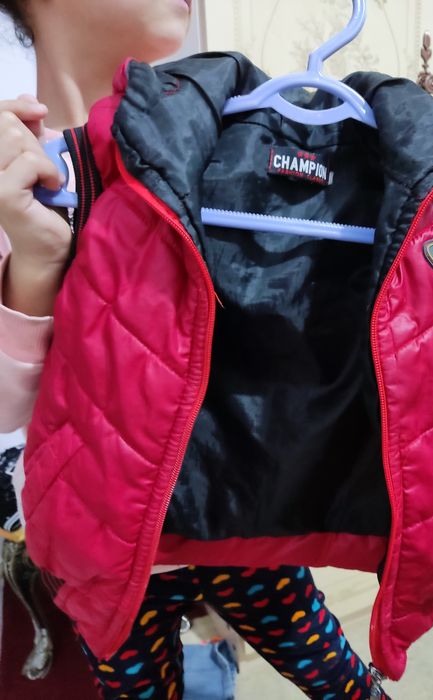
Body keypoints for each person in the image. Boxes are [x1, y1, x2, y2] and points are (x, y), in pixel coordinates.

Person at [0, 2, 392, 698]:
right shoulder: (14, 170)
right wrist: (34, 266)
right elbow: (8, 435)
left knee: (341, 680)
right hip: (101, 553)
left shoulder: (237, 142)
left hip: (242, 519)